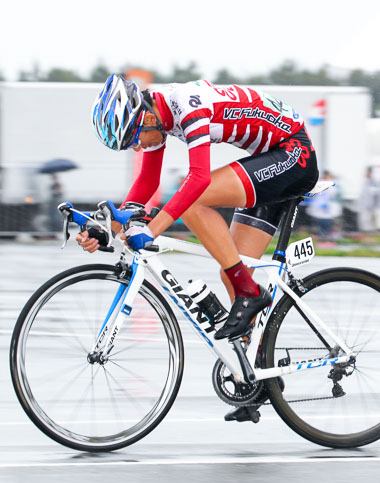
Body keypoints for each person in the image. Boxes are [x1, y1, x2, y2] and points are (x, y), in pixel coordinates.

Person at [82, 75, 318, 357]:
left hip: (293, 153)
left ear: (145, 119)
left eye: (133, 139)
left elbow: (199, 178)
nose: (137, 147)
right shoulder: (158, 116)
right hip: (268, 157)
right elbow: (147, 180)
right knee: (231, 269)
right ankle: (258, 369)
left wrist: (152, 229)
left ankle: (250, 293)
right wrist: (107, 227)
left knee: (194, 202)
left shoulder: (186, 105)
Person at [306, 170, 341, 241]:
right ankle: (321, 236)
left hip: (326, 207)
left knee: (326, 222)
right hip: (318, 206)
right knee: (320, 222)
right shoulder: (320, 182)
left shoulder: (329, 184)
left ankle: (325, 236)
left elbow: (333, 194)